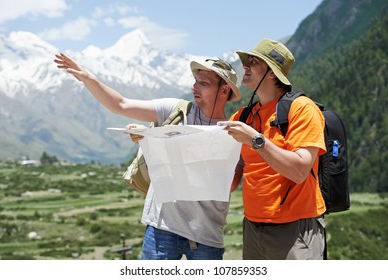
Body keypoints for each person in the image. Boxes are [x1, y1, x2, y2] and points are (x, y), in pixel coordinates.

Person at [54, 53, 242, 260]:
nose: (194, 87)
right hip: (161, 228)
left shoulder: (234, 131)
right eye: (195, 81)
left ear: (224, 90)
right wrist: (88, 78)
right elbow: (120, 105)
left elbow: (232, 183)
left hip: (206, 232)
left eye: (203, 83)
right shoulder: (175, 110)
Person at [218, 38, 327, 260]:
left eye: (253, 61)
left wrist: (256, 140)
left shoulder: (303, 109)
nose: (245, 66)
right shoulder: (243, 116)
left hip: (295, 228)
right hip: (252, 226)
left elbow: (299, 171)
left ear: (271, 73)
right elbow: (226, 168)